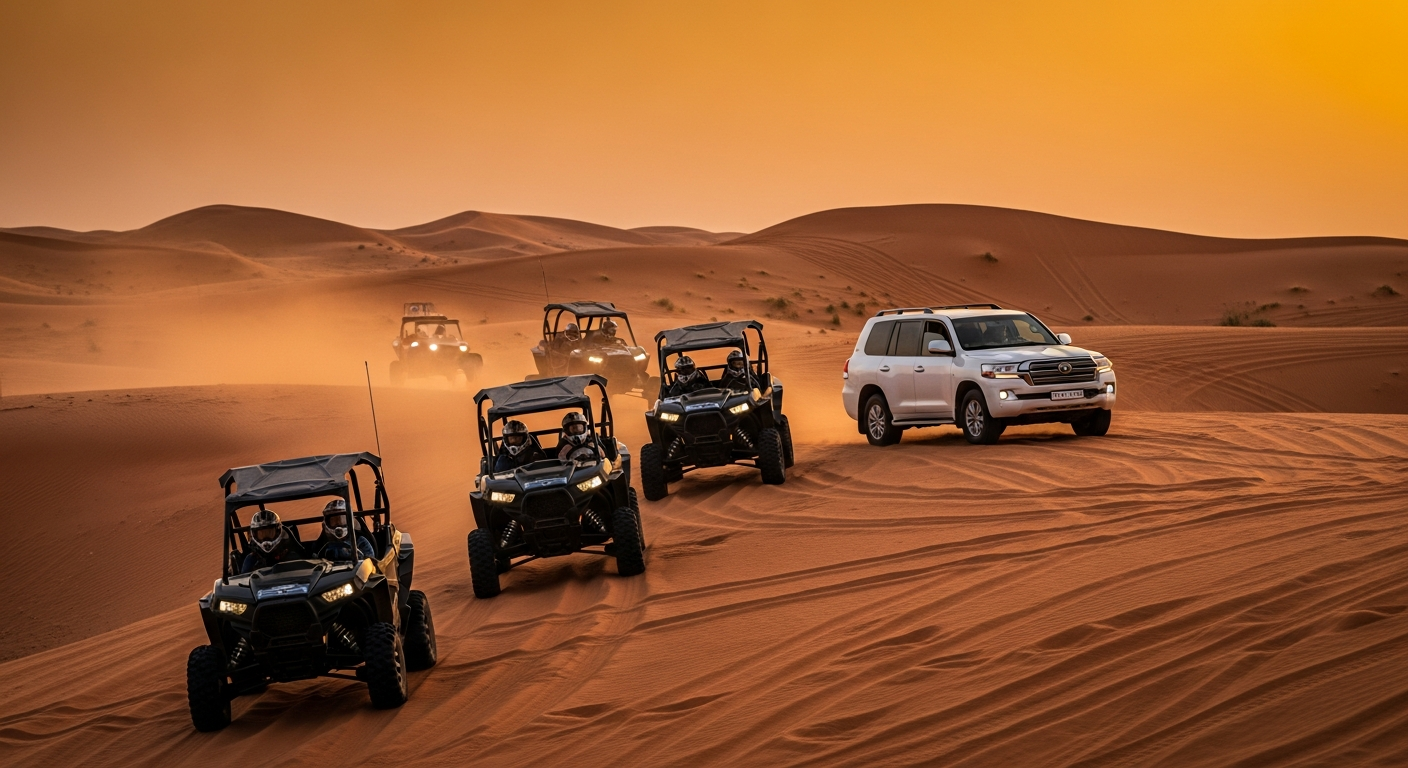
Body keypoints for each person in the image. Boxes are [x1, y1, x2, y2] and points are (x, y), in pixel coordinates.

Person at [241, 508, 304, 573]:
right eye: (261, 534)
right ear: (254, 535)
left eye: (269, 533)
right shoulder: (252, 559)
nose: (266, 539)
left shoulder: (291, 556)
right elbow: (242, 581)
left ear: (278, 531)